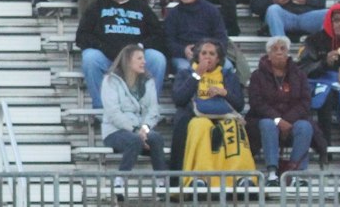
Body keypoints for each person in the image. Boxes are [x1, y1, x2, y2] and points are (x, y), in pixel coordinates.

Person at [75, 0, 166, 108]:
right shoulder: (97, 7)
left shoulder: (141, 7)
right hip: (107, 59)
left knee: (157, 58)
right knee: (90, 58)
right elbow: (82, 36)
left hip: (135, 59)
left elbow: (159, 34)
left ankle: (148, 107)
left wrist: (140, 47)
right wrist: (103, 47)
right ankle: (102, 108)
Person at [171, 39, 246, 176]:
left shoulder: (228, 76)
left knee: (234, 126)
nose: (207, 56)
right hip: (194, 117)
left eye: (212, 53)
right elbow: (179, 100)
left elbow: (239, 105)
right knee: (201, 125)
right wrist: (197, 75)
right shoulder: (186, 74)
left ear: (218, 59)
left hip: (223, 116)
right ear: (198, 56)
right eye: (204, 53)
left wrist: (225, 93)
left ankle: (238, 176)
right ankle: (199, 175)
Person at [247, 38, 316, 180]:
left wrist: (287, 120)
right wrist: (278, 120)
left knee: (305, 126)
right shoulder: (257, 75)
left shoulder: (299, 74)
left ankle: (296, 174)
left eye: (282, 48)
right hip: (265, 120)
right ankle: (272, 173)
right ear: (268, 55)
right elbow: (256, 103)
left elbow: (305, 101)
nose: (279, 51)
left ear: (288, 53)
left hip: (293, 121)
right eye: (275, 49)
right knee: (268, 124)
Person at [100, 43, 166, 192]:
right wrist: (136, 130)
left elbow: (153, 110)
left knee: (156, 139)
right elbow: (113, 113)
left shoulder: (148, 81)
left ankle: (161, 183)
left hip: (140, 130)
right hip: (115, 131)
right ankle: (119, 181)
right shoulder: (110, 81)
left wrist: (144, 128)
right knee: (134, 140)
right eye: (139, 58)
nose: (144, 62)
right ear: (128, 61)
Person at [298, 4, 340, 139]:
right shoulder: (313, 40)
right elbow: (303, 68)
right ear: (328, 21)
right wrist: (324, 62)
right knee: (326, 95)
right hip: (318, 82)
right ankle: (325, 145)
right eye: (336, 20)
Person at [165, 0, 230, 76]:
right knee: (185, 70)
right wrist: (183, 50)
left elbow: (221, 37)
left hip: (210, 54)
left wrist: (210, 53)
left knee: (227, 67)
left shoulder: (211, 10)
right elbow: (168, 41)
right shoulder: (173, 14)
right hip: (184, 57)